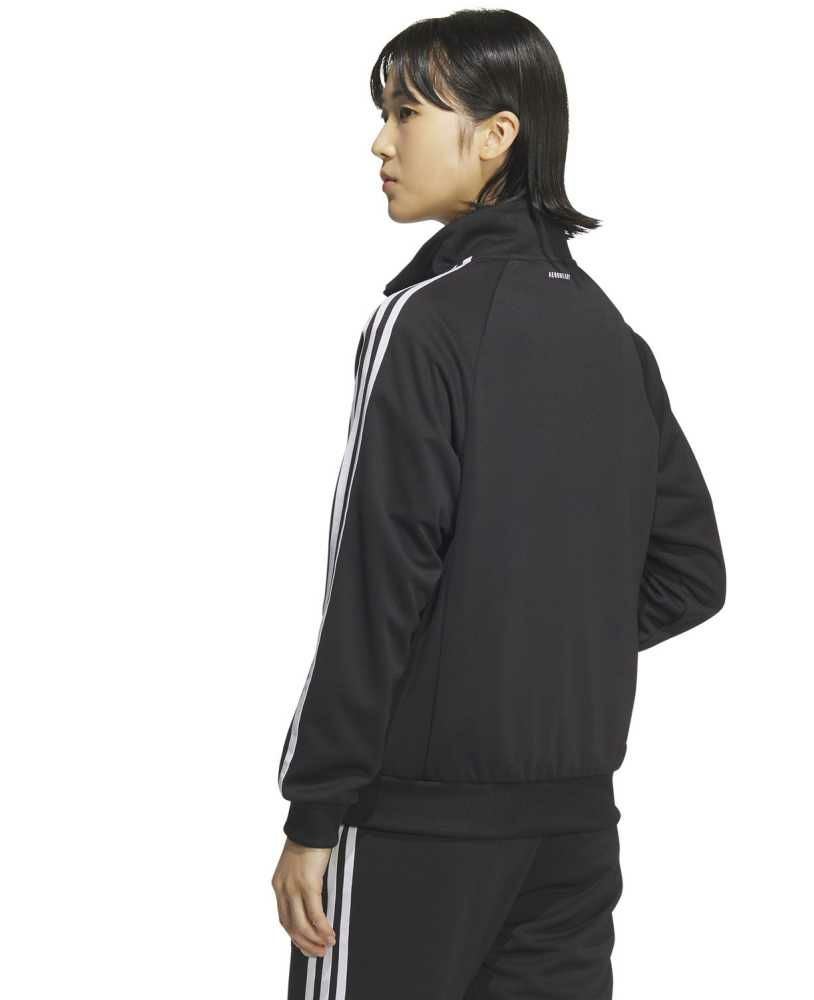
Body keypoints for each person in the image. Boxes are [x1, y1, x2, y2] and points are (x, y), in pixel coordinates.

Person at [271, 10, 726, 999]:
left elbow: (377, 580)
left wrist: (314, 809)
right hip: (572, 833)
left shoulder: (424, 324)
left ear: (496, 135)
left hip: (416, 825)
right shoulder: (613, 338)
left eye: (406, 113)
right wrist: (544, 651)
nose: (380, 142)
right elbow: (693, 574)